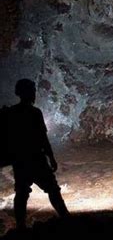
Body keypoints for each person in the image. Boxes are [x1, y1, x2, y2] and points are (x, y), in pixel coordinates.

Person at [6, 79, 69, 229]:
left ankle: (20, 226)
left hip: (19, 160)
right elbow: (43, 138)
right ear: (29, 93)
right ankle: (66, 218)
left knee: (21, 193)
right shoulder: (34, 112)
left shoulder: (11, 113)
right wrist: (51, 157)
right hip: (36, 159)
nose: (34, 93)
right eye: (32, 90)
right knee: (52, 189)